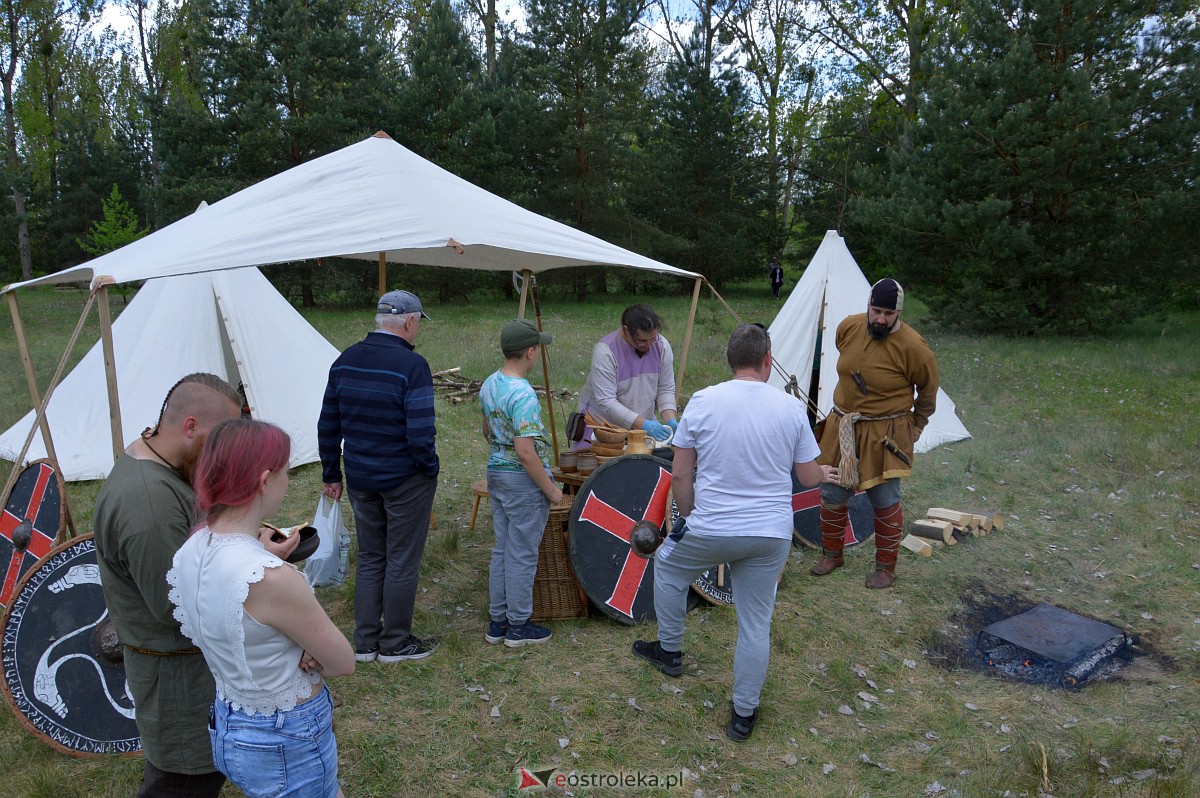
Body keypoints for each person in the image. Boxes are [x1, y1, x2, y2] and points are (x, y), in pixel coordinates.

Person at [94, 373, 300, 797]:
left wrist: (243, 541)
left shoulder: (158, 468)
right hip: (176, 684)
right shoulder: (147, 506)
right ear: (190, 427)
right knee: (183, 781)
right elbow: (178, 605)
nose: (224, 451)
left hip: (188, 671)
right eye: (218, 437)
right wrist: (256, 566)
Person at [632, 324, 839, 742]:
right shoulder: (790, 408)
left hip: (713, 526)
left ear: (730, 361)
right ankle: (743, 714)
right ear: (768, 360)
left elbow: (681, 473)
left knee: (669, 567)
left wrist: (688, 517)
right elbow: (806, 476)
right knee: (755, 624)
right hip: (770, 534)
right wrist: (824, 472)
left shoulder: (704, 401)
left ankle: (669, 650)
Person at [168, 418, 355, 798]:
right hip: (285, 735)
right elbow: (342, 662)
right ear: (265, 479)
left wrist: (261, 553)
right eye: (286, 471)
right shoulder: (271, 580)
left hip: (230, 721)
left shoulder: (190, 550)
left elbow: (237, 610)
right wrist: (309, 648)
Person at [318, 289, 439, 663]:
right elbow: (420, 433)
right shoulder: (412, 367)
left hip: (360, 477)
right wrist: (429, 466)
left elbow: (328, 424)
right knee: (401, 559)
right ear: (409, 321)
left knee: (371, 556)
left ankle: (366, 641)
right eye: (418, 323)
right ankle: (395, 642)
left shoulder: (345, 360)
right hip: (404, 478)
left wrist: (330, 471)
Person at [809, 278, 939, 589]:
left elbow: (929, 393)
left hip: (885, 433)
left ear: (899, 313)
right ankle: (833, 555)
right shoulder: (848, 327)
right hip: (843, 426)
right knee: (831, 492)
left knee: (884, 498)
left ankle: (885, 568)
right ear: (868, 306)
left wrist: (915, 427)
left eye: (887, 313)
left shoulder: (914, 348)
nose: (880, 318)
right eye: (875, 310)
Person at [479, 319, 564, 647]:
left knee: (502, 548)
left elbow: (487, 431)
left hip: (496, 473)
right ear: (530, 352)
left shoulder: (490, 384)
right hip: (522, 480)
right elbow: (526, 452)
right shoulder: (523, 394)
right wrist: (551, 489)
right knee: (522, 553)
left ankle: (497, 621)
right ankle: (518, 625)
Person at [577, 303, 678, 445]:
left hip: (640, 428)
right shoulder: (605, 352)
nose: (649, 345)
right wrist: (644, 424)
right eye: (642, 340)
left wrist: (670, 419)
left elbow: (665, 389)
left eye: (652, 339)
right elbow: (607, 401)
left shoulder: (661, 346)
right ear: (626, 330)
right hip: (602, 429)